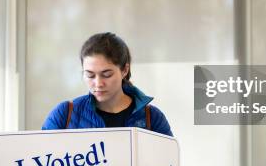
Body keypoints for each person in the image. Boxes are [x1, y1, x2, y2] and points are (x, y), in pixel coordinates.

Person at [41, 32, 173, 136]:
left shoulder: (152, 118)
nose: (98, 83)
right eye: (90, 75)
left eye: (106, 74)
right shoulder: (64, 114)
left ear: (124, 70)